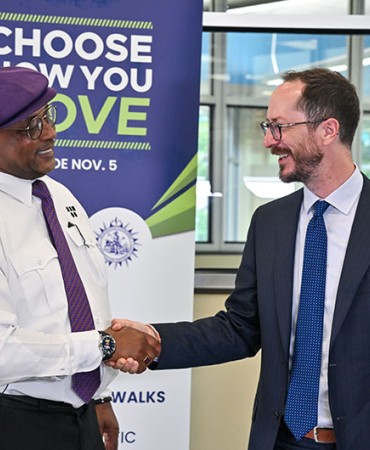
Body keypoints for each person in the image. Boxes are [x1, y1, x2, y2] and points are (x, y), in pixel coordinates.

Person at [111, 68, 369, 449]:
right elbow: (240, 328)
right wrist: (154, 340)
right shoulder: (270, 222)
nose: (268, 141)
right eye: (268, 127)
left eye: (279, 127)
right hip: (280, 439)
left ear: (328, 130)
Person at [0, 66, 161, 450]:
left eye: (48, 117)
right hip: (14, 423)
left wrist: (99, 396)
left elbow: (79, 302)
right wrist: (103, 347)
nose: (50, 133)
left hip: (81, 416)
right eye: (31, 127)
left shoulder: (58, 196)